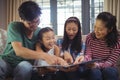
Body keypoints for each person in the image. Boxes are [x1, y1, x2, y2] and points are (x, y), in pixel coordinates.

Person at [0, 1, 59, 80]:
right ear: (22, 19)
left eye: (37, 21)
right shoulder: (14, 26)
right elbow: (19, 51)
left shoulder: (39, 32)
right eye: (30, 23)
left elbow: (52, 46)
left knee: (25, 67)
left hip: (24, 64)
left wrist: (59, 58)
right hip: (7, 61)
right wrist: (45, 56)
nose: (35, 25)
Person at [75, 12, 120, 80]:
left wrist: (97, 65)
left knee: (109, 72)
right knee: (95, 72)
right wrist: (84, 59)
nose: (96, 31)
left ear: (110, 29)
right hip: (93, 67)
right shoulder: (90, 37)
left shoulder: (117, 41)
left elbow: (110, 62)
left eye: (100, 29)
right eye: (95, 27)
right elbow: (88, 55)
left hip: (109, 67)